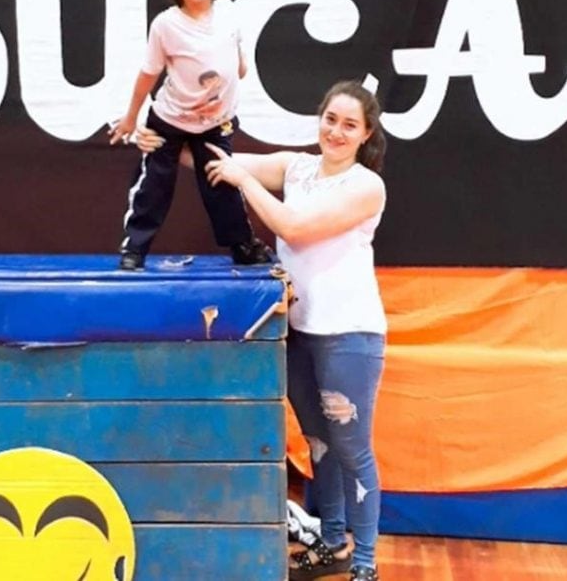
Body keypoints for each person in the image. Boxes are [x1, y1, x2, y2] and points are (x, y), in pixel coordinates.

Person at [134, 80, 387, 580]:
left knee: (352, 448)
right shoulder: (296, 167)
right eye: (330, 119)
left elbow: (293, 227)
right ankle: (332, 544)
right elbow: (209, 156)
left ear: (366, 133)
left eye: (349, 125)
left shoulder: (366, 186)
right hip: (297, 329)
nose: (336, 131)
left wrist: (242, 182)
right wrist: (158, 134)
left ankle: (366, 564)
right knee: (318, 441)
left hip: (350, 334)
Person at [108, 0, 272, 270]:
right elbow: (147, 75)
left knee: (224, 182)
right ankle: (134, 248)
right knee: (154, 186)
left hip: (216, 123)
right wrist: (131, 118)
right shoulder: (166, 25)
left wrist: (238, 69)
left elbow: (238, 57)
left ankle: (242, 245)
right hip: (169, 121)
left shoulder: (229, 11)